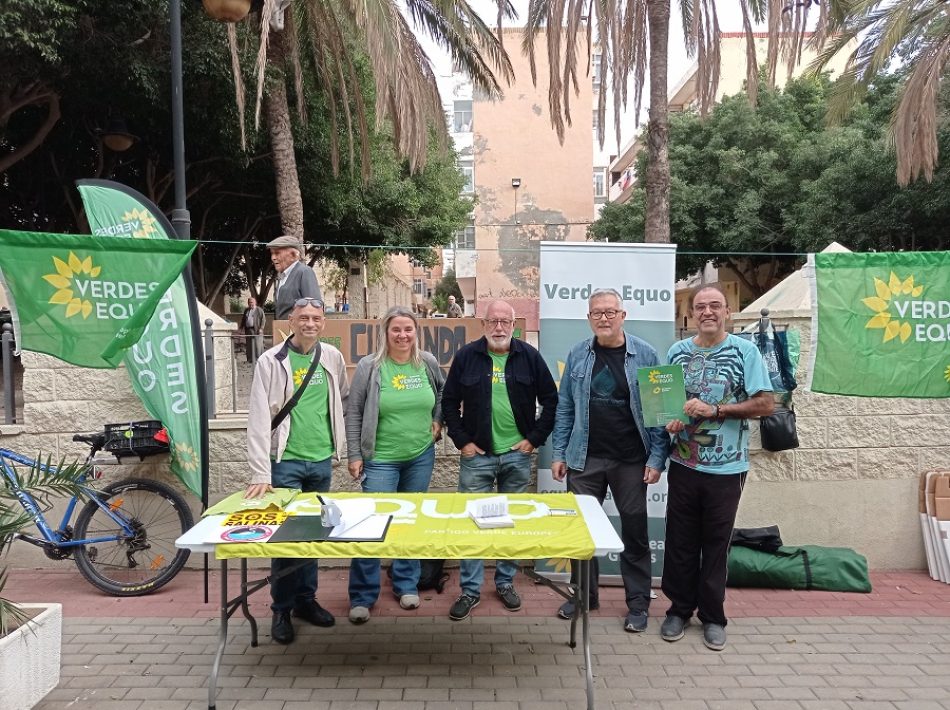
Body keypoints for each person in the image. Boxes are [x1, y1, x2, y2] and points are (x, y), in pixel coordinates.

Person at [661, 284, 773, 651]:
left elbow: (765, 404)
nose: (707, 312)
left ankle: (713, 617)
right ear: (692, 313)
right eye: (700, 307)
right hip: (683, 463)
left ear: (727, 311)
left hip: (728, 469)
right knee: (680, 542)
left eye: (715, 306)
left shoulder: (745, 351)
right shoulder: (677, 352)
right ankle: (678, 610)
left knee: (715, 544)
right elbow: (669, 407)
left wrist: (718, 410)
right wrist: (671, 420)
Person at [551, 287, 668, 633]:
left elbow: (659, 412)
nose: (603, 318)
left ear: (622, 315)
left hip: (632, 461)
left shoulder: (645, 355)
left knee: (635, 533)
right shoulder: (577, 354)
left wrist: (658, 457)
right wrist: (559, 452)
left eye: (609, 312)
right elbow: (566, 408)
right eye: (596, 313)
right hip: (585, 459)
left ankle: (637, 604)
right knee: (582, 534)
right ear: (589, 318)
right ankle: (585, 596)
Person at [442, 300, 558, 620]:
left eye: (505, 322)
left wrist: (533, 440)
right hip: (477, 456)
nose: (499, 327)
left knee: (510, 523)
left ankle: (505, 582)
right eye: (493, 321)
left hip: (515, 457)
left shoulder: (529, 357)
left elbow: (551, 401)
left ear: (513, 325)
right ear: (483, 324)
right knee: (472, 524)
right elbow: (449, 402)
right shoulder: (467, 356)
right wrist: (462, 441)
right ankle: (470, 589)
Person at [245, 298, 348, 645]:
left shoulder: (331, 358)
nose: (310, 323)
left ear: (323, 323)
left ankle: (306, 601)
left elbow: (340, 400)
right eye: (303, 317)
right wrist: (261, 472)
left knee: (314, 536)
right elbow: (259, 419)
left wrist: (340, 448)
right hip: (285, 462)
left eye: (316, 318)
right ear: (290, 320)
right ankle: (281, 609)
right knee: (286, 540)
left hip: (320, 461)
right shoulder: (270, 361)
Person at [345, 305, 445, 624]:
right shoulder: (370, 366)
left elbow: (444, 394)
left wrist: (438, 421)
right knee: (370, 528)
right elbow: (355, 412)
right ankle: (362, 595)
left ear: (417, 332)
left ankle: (406, 584)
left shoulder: (427, 362)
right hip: (381, 460)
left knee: (410, 523)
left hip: (419, 456)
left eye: (408, 329)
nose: (403, 335)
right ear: (385, 333)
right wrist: (355, 454)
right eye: (396, 330)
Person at [267, 235, 322, 320]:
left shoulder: (304, 272)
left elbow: (315, 309)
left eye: (277, 253)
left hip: (298, 332)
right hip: (283, 331)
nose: (273, 258)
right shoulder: (283, 276)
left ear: (293, 255)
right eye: (272, 254)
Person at [240, 297, 266, 363]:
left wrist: (261, 328)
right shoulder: (246, 310)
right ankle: (250, 359)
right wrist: (241, 327)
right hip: (248, 330)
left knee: (258, 345)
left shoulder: (259, 310)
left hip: (257, 330)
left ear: (255, 303)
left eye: (251, 302)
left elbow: (263, 320)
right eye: (249, 302)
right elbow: (243, 319)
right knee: (249, 345)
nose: (250, 304)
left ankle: (259, 360)